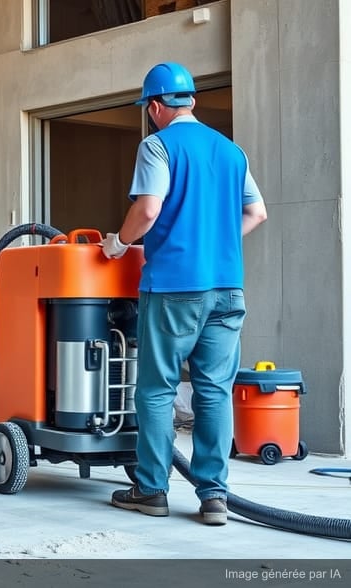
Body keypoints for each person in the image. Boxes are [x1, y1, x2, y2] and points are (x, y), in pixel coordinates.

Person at [100, 62, 268, 525]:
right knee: (214, 392)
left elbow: (148, 209)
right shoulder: (231, 151)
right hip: (228, 290)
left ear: (155, 106)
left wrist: (118, 244)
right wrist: (217, 244)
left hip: (174, 288)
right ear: (191, 100)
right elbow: (257, 214)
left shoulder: (157, 145)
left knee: (156, 390)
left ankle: (152, 490)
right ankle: (215, 497)